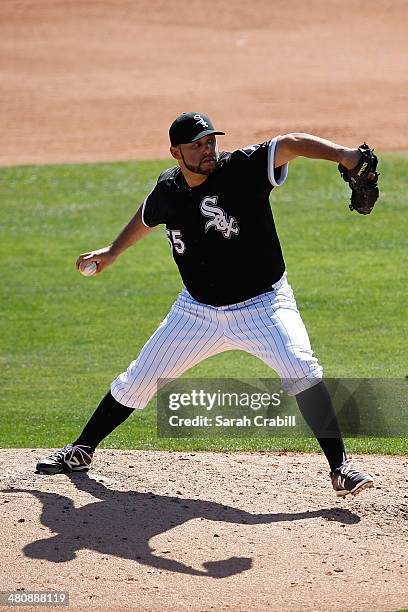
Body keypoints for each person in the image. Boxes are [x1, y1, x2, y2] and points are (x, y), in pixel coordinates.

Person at [36, 112, 374, 497]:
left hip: (263, 306)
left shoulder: (241, 169)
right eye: (197, 144)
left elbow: (291, 142)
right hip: (196, 312)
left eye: (210, 140)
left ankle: (341, 468)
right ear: (176, 152)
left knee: (302, 368)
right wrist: (113, 251)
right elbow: (147, 216)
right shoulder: (169, 189)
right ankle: (81, 450)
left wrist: (347, 156)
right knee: (139, 379)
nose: (207, 149)